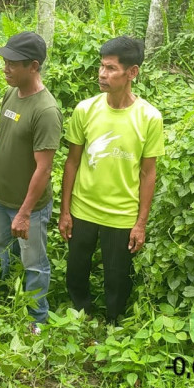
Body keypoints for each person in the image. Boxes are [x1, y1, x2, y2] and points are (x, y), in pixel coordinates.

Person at [58, 36, 164, 324]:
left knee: (118, 277)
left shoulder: (149, 118)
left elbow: (148, 173)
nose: (102, 75)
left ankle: (114, 321)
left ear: (132, 73)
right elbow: (73, 161)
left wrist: (140, 223)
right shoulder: (85, 110)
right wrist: (65, 211)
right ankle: (81, 313)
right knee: (76, 269)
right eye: (101, 67)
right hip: (83, 209)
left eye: (111, 68)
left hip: (122, 215)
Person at [0, 32, 63, 334]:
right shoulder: (12, 94)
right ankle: (7, 298)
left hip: (29, 207)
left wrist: (25, 212)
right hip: (2, 197)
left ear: (33, 66)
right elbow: (2, 139)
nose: (5, 69)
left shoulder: (46, 111)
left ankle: (37, 319)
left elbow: (44, 169)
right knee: (2, 248)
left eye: (12, 64)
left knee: (34, 262)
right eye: (5, 62)